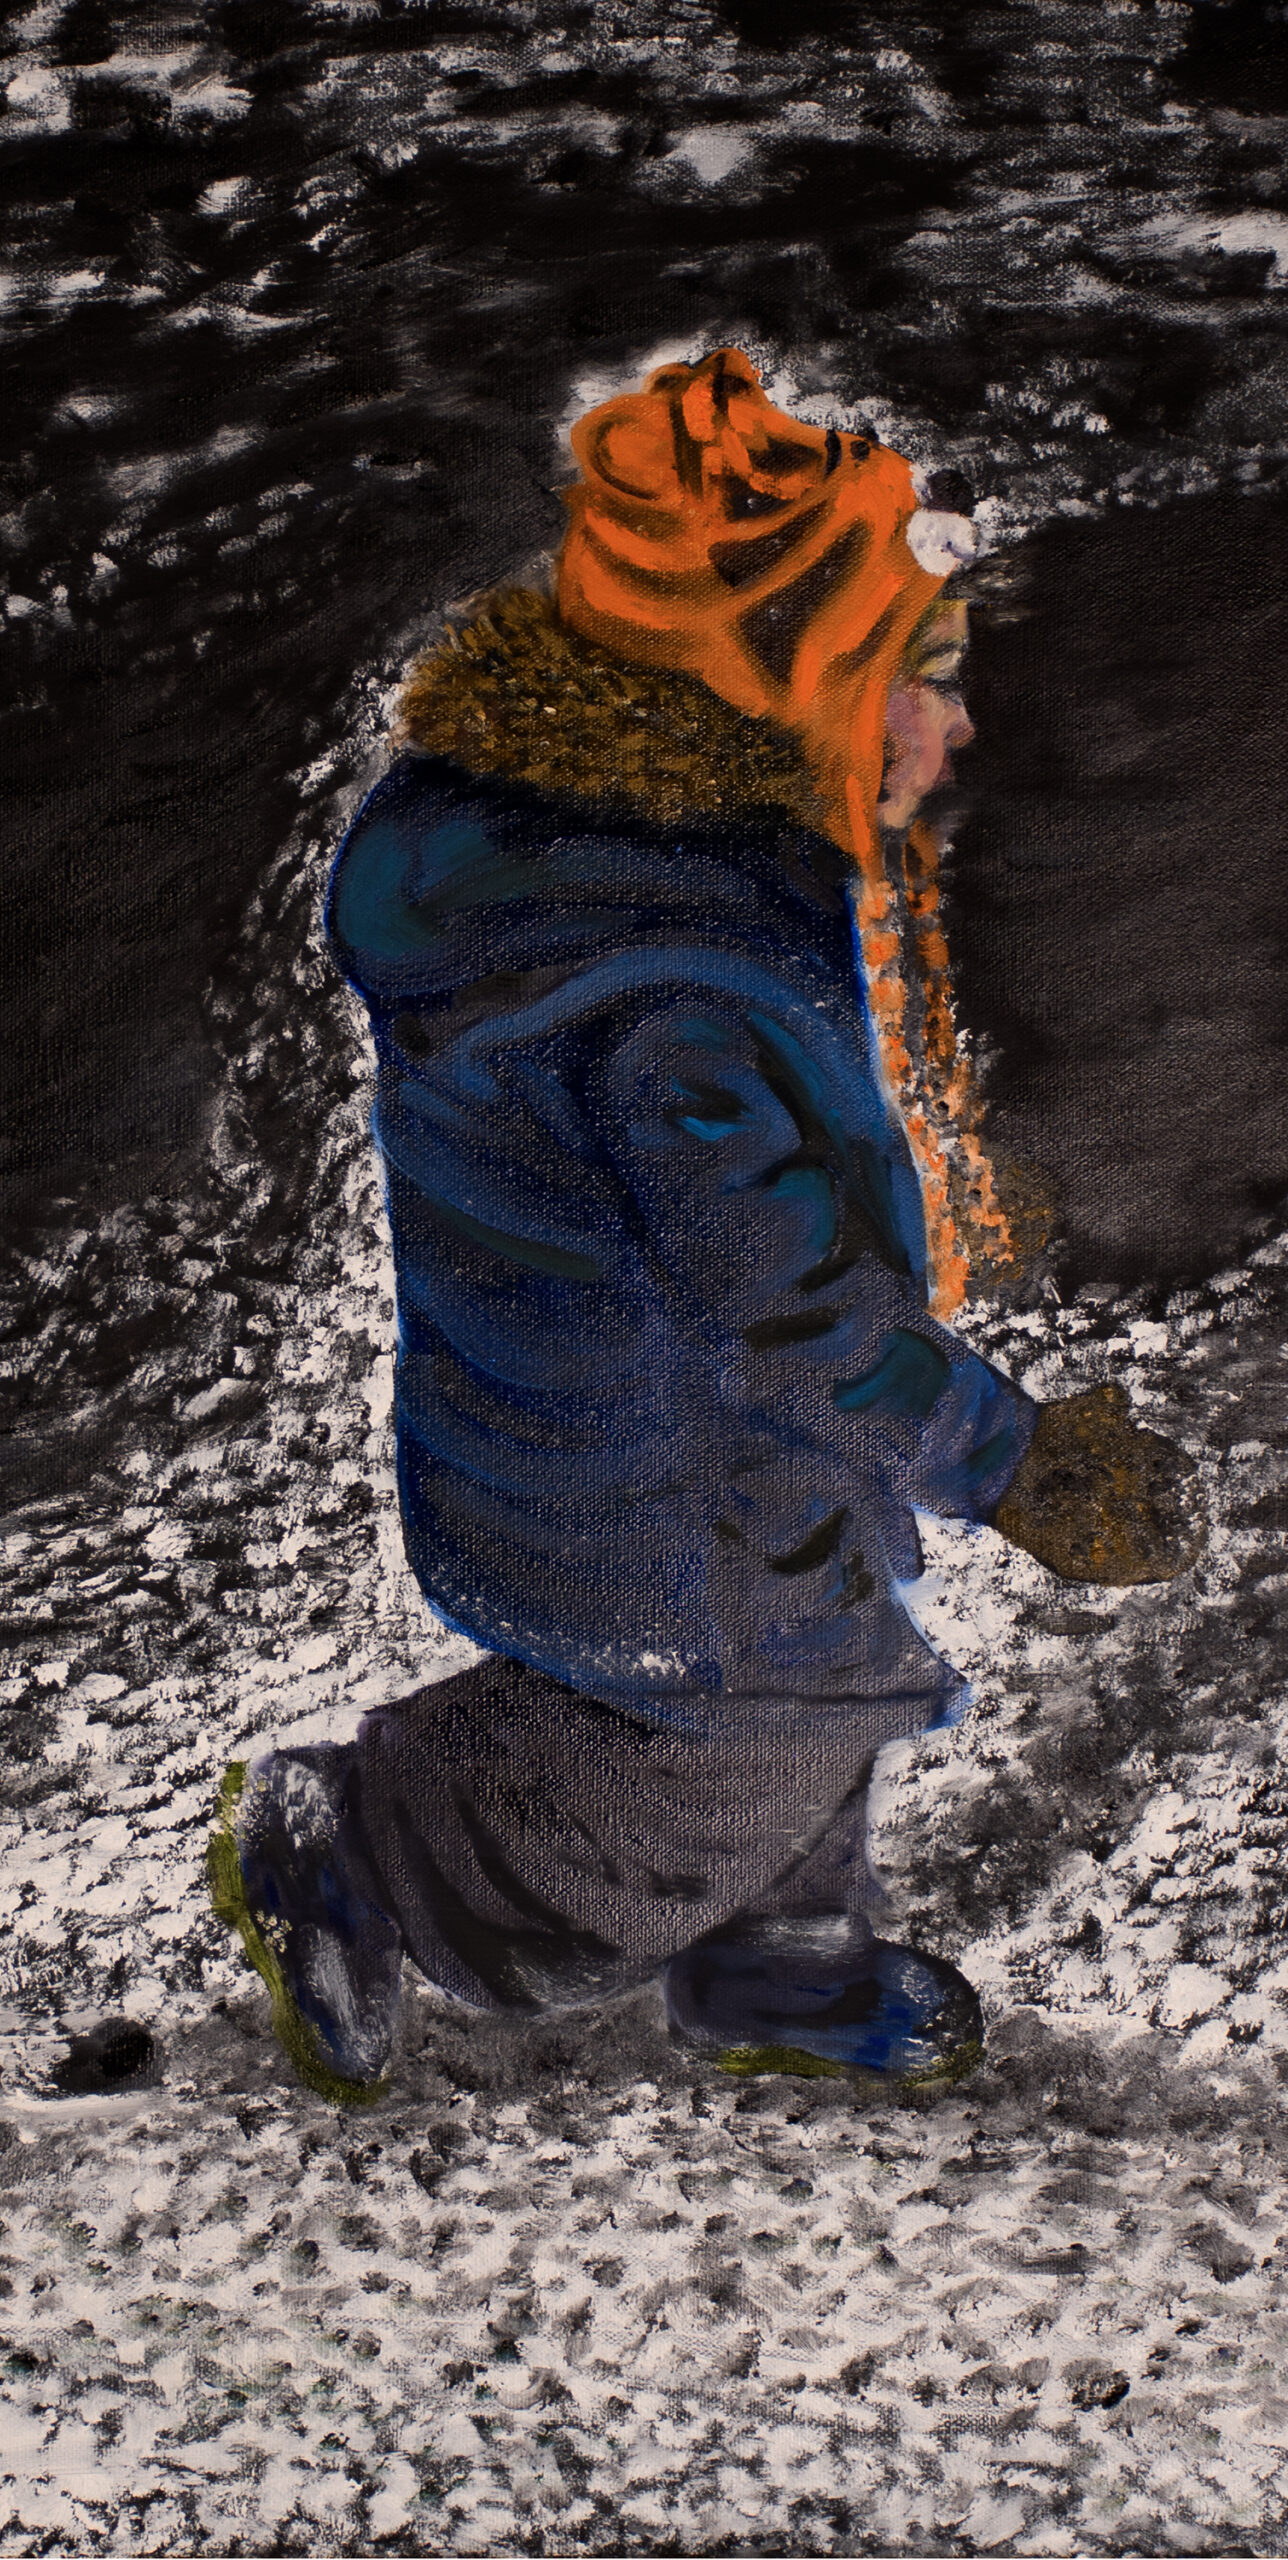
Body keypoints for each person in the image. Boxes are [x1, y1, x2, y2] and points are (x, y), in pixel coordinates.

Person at [208, 349, 1196, 2106]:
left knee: (829, 1651)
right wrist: (1013, 1459)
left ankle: (781, 1969)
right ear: (809, 683)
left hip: (688, 1438)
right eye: (926, 681)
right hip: (630, 1460)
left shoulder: (672, 861)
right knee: (729, 1733)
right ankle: (360, 1844)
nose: (958, 729)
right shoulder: (668, 993)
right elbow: (790, 1307)